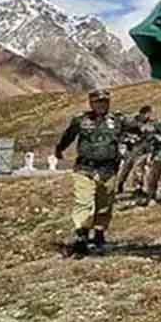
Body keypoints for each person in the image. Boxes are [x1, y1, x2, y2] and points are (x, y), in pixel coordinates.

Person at [55, 89, 137, 257]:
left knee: (104, 203)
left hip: (108, 169)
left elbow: (138, 130)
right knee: (82, 201)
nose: (102, 105)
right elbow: (69, 135)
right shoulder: (81, 120)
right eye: (98, 102)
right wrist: (60, 149)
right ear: (91, 103)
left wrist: (128, 145)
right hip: (85, 168)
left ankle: (99, 232)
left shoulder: (118, 120)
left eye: (105, 102)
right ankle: (81, 235)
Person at [116, 105, 153, 196]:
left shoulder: (150, 123)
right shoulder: (131, 121)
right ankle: (120, 183)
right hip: (130, 148)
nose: (147, 116)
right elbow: (122, 129)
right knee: (126, 168)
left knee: (139, 169)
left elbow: (150, 133)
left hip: (142, 149)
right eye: (145, 114)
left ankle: (138, 187)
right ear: (141, 113)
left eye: (149, 114)